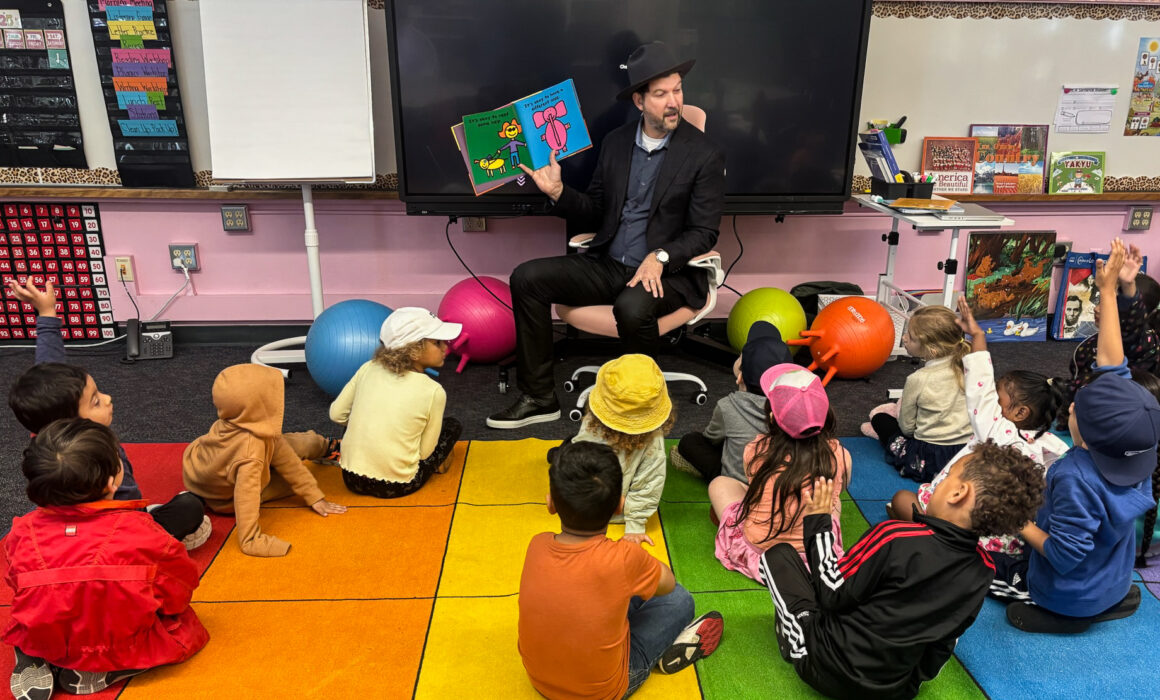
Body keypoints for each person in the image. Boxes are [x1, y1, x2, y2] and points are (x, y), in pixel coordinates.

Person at [487, 41, 726, 429]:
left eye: (678, 90)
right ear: (639, 101)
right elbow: (598, 210)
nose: (673, 102)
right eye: (661, 93)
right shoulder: (616, 144)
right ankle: (538, 397)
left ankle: (636, 409)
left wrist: (661, 257)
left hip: (670, 275)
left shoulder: (705, 154)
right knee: (526, 278)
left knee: (632, 307)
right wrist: (558, 193)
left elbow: (704, 232)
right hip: (610, 264)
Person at [762, 441, 1045, 699]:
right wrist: (910, 684)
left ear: (959, 493)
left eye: (946, 478)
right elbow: (945, 642)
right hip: (892, 690)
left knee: (778, 556)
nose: (940, 482)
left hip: (823, 666)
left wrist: (818, 522)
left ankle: (796, 645)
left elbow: (832, 594)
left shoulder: (894, 536)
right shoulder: (984, 569)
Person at [1007, 238, 1160, 633]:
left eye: (1078, 408)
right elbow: (1113, 364)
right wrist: (1109, 291)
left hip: (1067, 592)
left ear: (1087, 436)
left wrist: (1019, 522)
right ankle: (1107, 598)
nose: (1071, 406)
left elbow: (1062, 554)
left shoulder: (1074, 475)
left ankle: (1067, 614)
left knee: (993, 568)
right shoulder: (1139, 449)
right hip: (1113, 579)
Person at [5, 419, 209, 700]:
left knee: (41, 617)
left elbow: (18, 586)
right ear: (114, 480)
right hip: (115, 640)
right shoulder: (143, 530)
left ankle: (34, 652)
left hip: (47, 634)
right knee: (185, 630)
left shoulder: (21, 530)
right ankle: (110, 667)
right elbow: (179, 589)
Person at [6, 279, 210, 551]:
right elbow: (121, 514)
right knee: (191, 507)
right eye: (95, 401)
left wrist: (47, 315)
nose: (108, 399)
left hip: (64, 535)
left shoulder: (46, 434)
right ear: (71, 420)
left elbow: (50, 367)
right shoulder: (97, 461)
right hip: (117, 534)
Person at [889, 295, 1068, 601]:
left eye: (999, 396)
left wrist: (979, 336)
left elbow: (979, 385)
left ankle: (939, 548)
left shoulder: (996, 430)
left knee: (902, 500)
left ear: (1019, 412)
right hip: (1007, 538)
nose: (991, 399)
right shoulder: (1050, 445)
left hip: (964, 527)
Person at [518, 441, 723, 698]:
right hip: (602, 692)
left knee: (603, 594)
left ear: (551, 504)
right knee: (680, 600)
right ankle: (661, 652)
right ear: (619, 506)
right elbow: (668, 584)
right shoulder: (624, 558)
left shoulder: (536, 544)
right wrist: (635, 556)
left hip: (540, 680)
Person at [182, 363, 347, 557]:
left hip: (199, 469)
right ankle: (323, 450)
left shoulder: (238, 419)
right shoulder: (251, 453)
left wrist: (313, 494)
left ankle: (328, 446)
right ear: (257, 406)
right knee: (294, 481)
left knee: (299, 446)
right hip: (225, 498)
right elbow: (246, 496)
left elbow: (286, 459)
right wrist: (251, 539)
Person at [709, 364, 851, 583]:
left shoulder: (756, 450)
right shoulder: (840, 455)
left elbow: (754, 488)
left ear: (773, 418)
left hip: (763, 558)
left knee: (720, 484)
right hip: (816, 559)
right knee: (833, 499)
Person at [329, 308, 463, 498]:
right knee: (452, 425)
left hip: (351, 478)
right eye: (437, 342)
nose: (446, 348)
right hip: (397, 485)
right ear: (414, 351)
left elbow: (336, 414)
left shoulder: (368, 367)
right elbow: (424, 453)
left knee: (359, 418)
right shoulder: (433, 391)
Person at [670, 321, 792, 481]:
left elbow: (710, 439)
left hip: (736, 482)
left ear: (740, 376)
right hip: (784, 479)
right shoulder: (796, 405)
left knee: (690, 441)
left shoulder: (728, 405)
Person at [865, 305, 973, 482]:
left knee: (880, 419)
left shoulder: (918, 378)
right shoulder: (969, 367)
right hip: (965, 452)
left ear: (932, 350)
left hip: (928, 458)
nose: (904, 338)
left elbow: (907, 428)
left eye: (911, 338)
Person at [1060, 241, 1160, 424]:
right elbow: (1082, 379)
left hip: (1111, 419)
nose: (1098, 309)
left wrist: (1128, 289)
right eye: (1102, 299)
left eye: (1114, 304)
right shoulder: (1098, 339)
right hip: (1082, 408)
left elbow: (1131, 327)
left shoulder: (1142, 342)